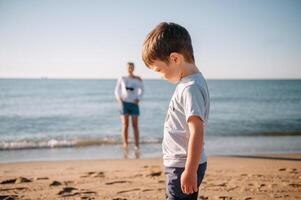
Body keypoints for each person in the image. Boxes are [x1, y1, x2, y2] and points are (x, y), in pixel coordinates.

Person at [142, 22, 210, 200]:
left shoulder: (190, 88)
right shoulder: (188, 82)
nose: (160, 75)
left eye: (159, 69)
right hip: (181, 163)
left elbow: (197, 132)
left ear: (174, 59)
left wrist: (189, 170)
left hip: (183, 165)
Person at [114, 62, 144, 154]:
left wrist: (138, 98)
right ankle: (125, 144)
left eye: (131, 67)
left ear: (133, 68)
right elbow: (116, 90)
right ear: (126, 68)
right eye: (129, 67)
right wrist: (119, 98)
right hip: (124, 104)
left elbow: (142, 89)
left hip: (134, 104)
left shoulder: (138, 79)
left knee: (135, 126)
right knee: (125, 125)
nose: (130, 69)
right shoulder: (122, 78)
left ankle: (136, 145)